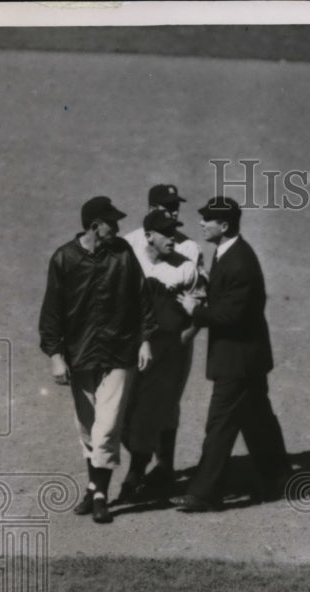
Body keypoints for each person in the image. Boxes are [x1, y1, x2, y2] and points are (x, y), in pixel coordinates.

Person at [38, 196, 154, 524]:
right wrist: (56, 355)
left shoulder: (123, 254)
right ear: (94, 226)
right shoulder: (64, 258)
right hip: (80, 356)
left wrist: (145, 340)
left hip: (120, 353)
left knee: (106, 429)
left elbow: (142, 297)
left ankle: (100, 495)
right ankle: (94, 488)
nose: (116, 229)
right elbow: (52, 312)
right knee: (87, 429)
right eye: (111, 223)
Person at [173, 196, 290, 512]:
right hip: (247, 356)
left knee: (220, 423)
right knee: (257, 420)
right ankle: (277, 478)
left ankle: (204, 493)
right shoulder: (227, 252)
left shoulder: (239, 261)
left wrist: (195, 309)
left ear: (224, 225)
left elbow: (232, 316)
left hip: (238, 359)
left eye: (207, 220)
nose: (201, 223)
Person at [124, 183, 205, 486]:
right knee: (129, 401)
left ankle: (162, 467)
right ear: (150, 210)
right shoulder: (129, 243)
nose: (172, 212)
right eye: (165, 207)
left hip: (174, 339)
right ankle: (141, 461)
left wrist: (187, 337)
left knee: (167, 402)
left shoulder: (189, 249)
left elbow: (200, 298)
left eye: (175, 207)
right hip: (134, 338)